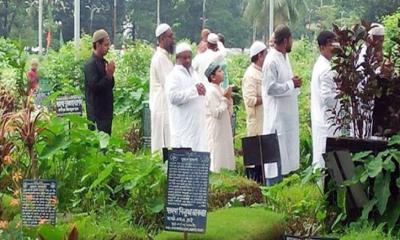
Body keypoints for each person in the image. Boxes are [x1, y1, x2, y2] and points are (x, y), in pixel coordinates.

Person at [262, 25, 302, 175]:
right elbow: (270, 88)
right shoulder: (271, 60)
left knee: (286, 157)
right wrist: (291, 84)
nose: (292, 42)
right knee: (276, 160)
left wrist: (293, 83)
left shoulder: (285, 57)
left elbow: (285, 83)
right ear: (286, 40)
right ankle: (273, 191)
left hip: (287, 117)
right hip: (277, 118)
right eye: (291, 39)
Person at [166, 42, 208, 152]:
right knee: (185, 157)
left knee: (198, 153)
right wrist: (194, 90)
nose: (188, 60)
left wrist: (203, 90)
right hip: (183, 126)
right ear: (177, 58)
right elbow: (173, 97)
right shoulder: (173, 76)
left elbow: (200, 89)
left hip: (197, 125)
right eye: (184, 58)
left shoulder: (194, 74)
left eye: (190, 57)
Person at [311, 31, 340, 169]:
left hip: (323, 120)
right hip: (327, 121)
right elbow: (327, 98)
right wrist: (342, 95)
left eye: (335, 43)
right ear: (322, 47)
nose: (333, 47)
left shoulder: (321, 64)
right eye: (330, 45)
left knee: (322, 157)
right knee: (326, 159)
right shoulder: (326, 69)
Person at [204, 63, 235, 172]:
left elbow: (229, 111)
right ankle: (216, 172)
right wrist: (224, 99)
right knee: (217, 150)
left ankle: (227, 173)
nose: (223, 73)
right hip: (216, 127)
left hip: (224, 126)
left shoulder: (220, 89)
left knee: (225, 148)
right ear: (212, 77)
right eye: (220, 71)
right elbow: (216, 113)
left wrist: (228, 98)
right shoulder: (211, 91)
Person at [84, 29, 115, 135]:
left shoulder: (104, 62)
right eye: (106, 45)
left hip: (106, 112)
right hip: (97, 114)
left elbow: (110, 85)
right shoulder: (90, 65)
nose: (108, 48)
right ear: (98, 44)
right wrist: (109, 75)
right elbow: (95, 87)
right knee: (97, 146)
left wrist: (110, 76)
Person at [149, 23, 175, 153]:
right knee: (163, 142)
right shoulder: (160, 58)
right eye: (170, 36)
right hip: (161, 106)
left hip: (164, 106)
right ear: (162, 39)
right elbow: (169, 84)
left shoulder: (165, 57)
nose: (173, 39)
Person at [243, 41, 267, 136]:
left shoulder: (263, 71)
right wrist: (267, 97)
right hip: (257, 125)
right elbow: (250, 100)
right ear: (260, 56)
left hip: (265, 122)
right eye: (265, 54)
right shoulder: (250, 75)